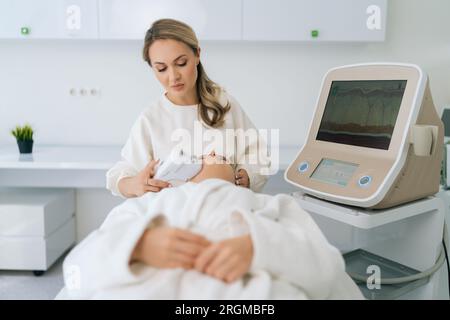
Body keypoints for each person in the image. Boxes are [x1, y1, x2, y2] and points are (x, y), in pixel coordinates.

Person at [106, 18, 270, 200]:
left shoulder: (223, 105)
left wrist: (246, 177)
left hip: (223, 210)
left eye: (181, 63)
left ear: (197, 54)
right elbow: (119, 173)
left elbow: (259, 154)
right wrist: (133, 184)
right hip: (172, 216)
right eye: (161, 69)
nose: (173, 76)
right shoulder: (151, 119)